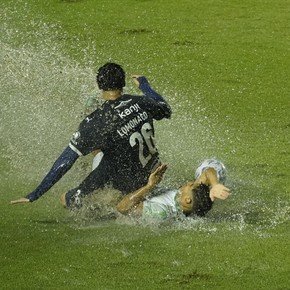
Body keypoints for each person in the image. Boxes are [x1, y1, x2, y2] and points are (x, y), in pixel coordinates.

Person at [11, 63, 171, 206]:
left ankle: (106, 199)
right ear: (123, 83)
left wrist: (35, 194)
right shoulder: (140, 102)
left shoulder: (96, 121)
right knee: (112, 144)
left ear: (99, 85)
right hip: (152, 175)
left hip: (120, 181)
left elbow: (66, 160)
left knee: (66, 199)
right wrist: (144, 85)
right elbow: (165, 108)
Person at [116, 159, 231, 220]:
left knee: (108, 196)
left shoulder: (160, 212)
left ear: (187, 200)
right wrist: (215, 185)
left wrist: (149, 186)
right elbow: (208, 171)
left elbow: (121, 208)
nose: (190, 182)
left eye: (190, 185)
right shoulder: (197, 199)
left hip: (110, 207)